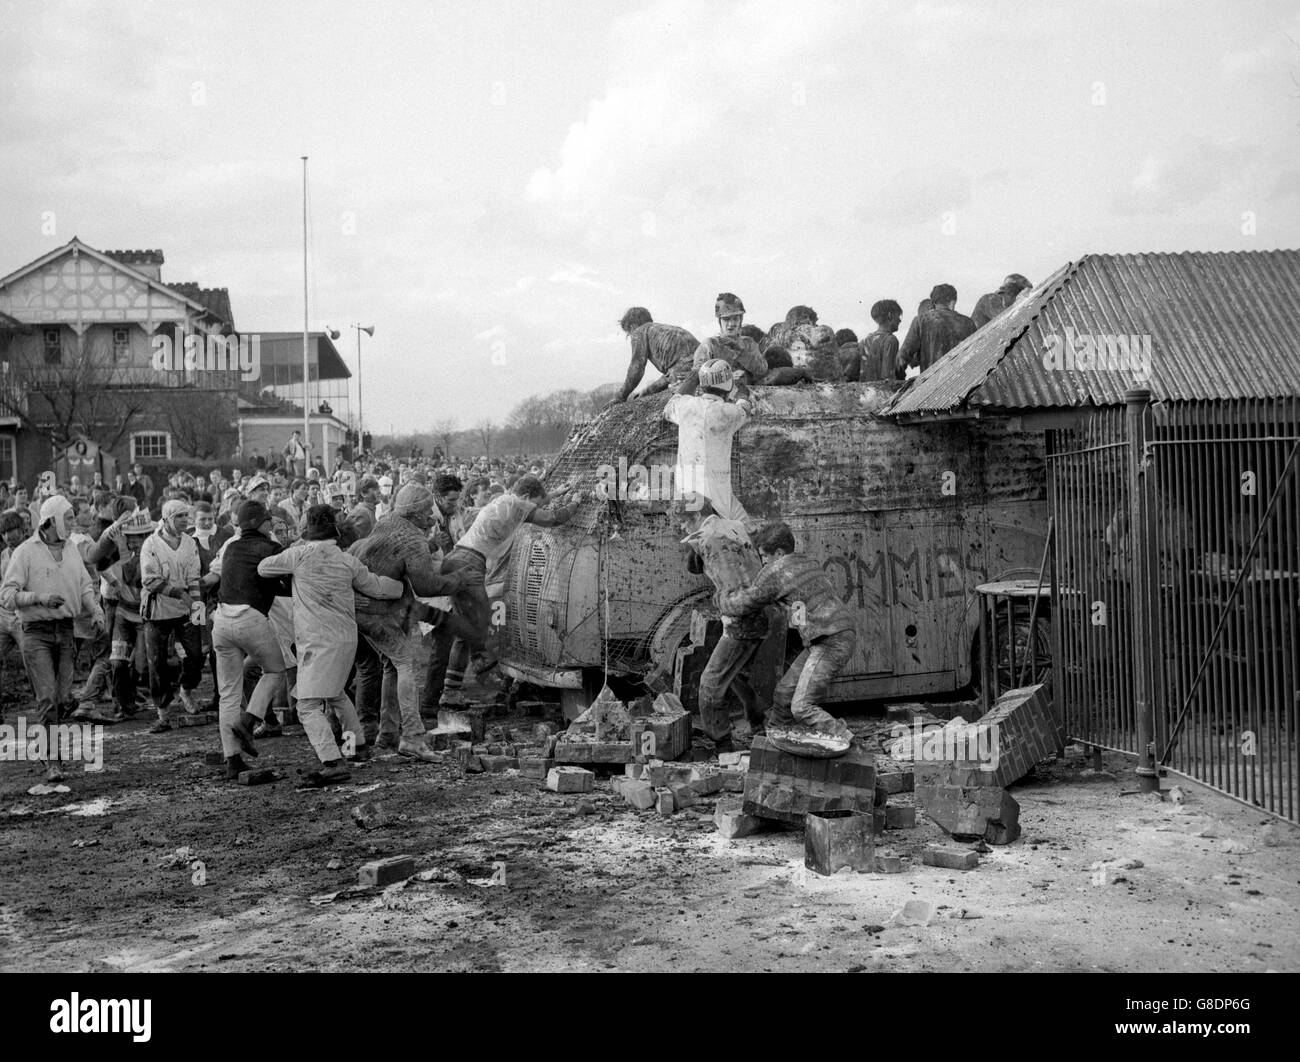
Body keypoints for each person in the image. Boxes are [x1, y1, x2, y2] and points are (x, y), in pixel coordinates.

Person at [258, 505, 403, 786]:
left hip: (318, 642)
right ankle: (355, 747)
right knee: (336, 694)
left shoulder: (298, 555)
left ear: (307, 530)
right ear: (335, 531)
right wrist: (404, 587)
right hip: (347, 639)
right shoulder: (346, 560)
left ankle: (333, 761)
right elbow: (377, 587)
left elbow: (263, 568)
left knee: (307, 706)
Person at [425, 476, 582, 709]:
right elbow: (552, 519)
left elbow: (537, 499)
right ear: (527, 498)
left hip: (457, 559)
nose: (536, 507)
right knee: (480, 620)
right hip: (469, 563)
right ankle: (482, 662)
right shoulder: (518, 505)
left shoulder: (506, 500)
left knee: (464, 629)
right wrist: (576, 502)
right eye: (536, 502)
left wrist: (556, 493)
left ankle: (451, 690)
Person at [351, 484, 465, 760]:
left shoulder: (388, 522)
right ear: (414, 513)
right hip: (378, 611)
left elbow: (397, 554)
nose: (430, 517)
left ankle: (387, 733)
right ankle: (412, 737)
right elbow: (425, 585)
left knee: (392, 665)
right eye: (427, 512)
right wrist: (460, 580)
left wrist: (429, 545)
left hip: (370, 608)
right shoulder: (411, 539)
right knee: (406, 663)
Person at [718, 521, 855, 747]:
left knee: (802, 707)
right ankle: (775, 741)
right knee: (783, 694)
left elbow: (744, 603)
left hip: (832, 639)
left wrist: (721, 598)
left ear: (779, 553)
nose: (763, 563)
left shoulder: (778, 570)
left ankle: (850, 743)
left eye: (764, 557)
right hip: (830, 636)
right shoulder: (807, 562)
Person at [0, 496, 105, 781]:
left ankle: (52, 747)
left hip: (66, 630)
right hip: (36, 633)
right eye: (68, 518)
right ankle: (53, 761)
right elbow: (7, 595)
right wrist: (39, 598)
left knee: (61, 699)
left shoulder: (71, 549)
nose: (73, 523)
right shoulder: (25, 552)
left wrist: (95, 610)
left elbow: (84, 585)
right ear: (52, 520)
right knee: (46, 698)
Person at [678, 501, 777, 754]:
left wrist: (722, 602)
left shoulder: (708, 537)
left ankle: (722, 745)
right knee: (738, 677)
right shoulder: (736, 526)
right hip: (760, 611)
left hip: (740, 618)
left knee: (710, 683)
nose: (682, 526)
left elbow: (695, 568)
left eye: (685, 520)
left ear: (700, 514)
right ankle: (759, 725)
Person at [208, 501, 292, 780]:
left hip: (221, 621)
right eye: (269, 521)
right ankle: (249, 719)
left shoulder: (231, 546)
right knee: (275, 669)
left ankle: (232, 759)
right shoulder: (270, 548)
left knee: (228, 694)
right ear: (263, 524)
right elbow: (287, 584)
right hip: (250, 618)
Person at [139, 499, 203, 731]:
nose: (184, 520)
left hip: (186, 607)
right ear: (166, 519)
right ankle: (163, 712)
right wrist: (178, 593)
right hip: (157, 611)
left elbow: (194, 576)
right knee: (157, 662)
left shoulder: (190, 543)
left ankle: (186, 689)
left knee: (197, 653)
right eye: (179, 516)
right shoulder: (151, 544)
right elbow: (149, 580)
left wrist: (197, 605)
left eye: (186, 515)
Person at [664, 359, 751, 521]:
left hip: (688, 495)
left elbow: (671, 404)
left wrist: (695, 376)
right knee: (743, 535)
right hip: (717, 496)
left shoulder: (685, 405)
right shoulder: (729, 412)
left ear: (702, 385)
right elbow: (745, 407)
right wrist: (742, 389)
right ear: (728, 387)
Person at [677, 294, 767, 397]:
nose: (731, 324)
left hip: (745, 397)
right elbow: (697, 376)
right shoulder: (709, 345)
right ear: (720, 321)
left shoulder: (748, 344)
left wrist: (741, 352)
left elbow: (762, 370)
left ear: (740, 320)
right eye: (726, 319)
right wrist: (727, 378)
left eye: (735, 318)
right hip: (717, 398)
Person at [610, 308, 698, 402]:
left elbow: (636, 369)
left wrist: (621, 396)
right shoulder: (668, 330)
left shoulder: (639, 332)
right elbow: (679, 367)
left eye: (628, 333)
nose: (630, 336)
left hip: (685, 375)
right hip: (703, 366)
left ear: (632, 326)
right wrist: (648, 390)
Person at [899, 284, 975, 373]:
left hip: (932, 383)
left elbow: (902, 357)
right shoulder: (968, 323)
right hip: (962, 381)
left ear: (933, 302)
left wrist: (898, 377)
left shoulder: (921, 320)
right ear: (953, 302)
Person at [859, 299, 904, 381]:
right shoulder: (891, 340)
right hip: (884, 391)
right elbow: (888, 376)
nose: (900, 320)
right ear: (890, 316)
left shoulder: (864, 342)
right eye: (898, 316)